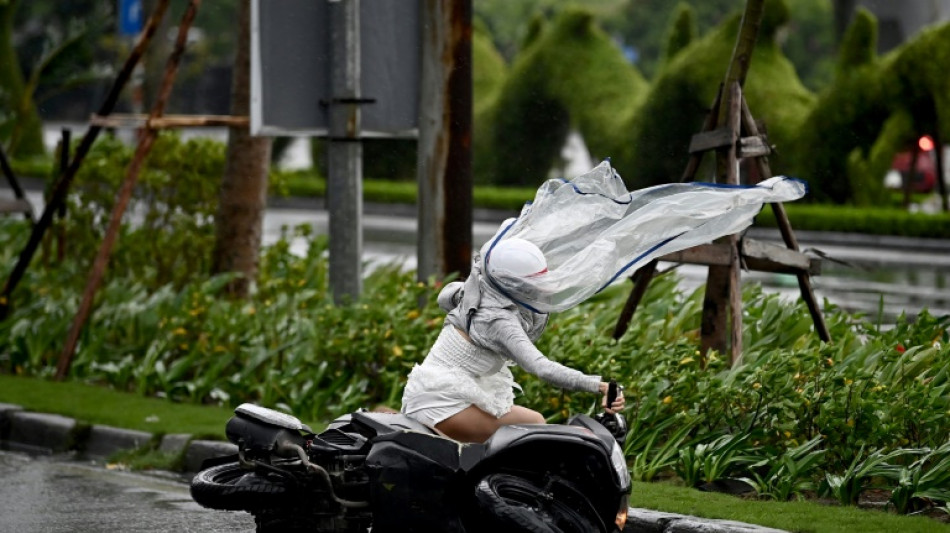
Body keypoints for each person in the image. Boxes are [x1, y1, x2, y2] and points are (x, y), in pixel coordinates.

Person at [401, 237, 625, 443]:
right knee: (534, 427)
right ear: (515, 286)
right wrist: (599, 385)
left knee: (533, 424)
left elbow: (445, 298)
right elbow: (542, 368)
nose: (541, 290)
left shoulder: (480, 284)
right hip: (440, 403)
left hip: (443, 390)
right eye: (533, 285)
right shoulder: (498, 320)